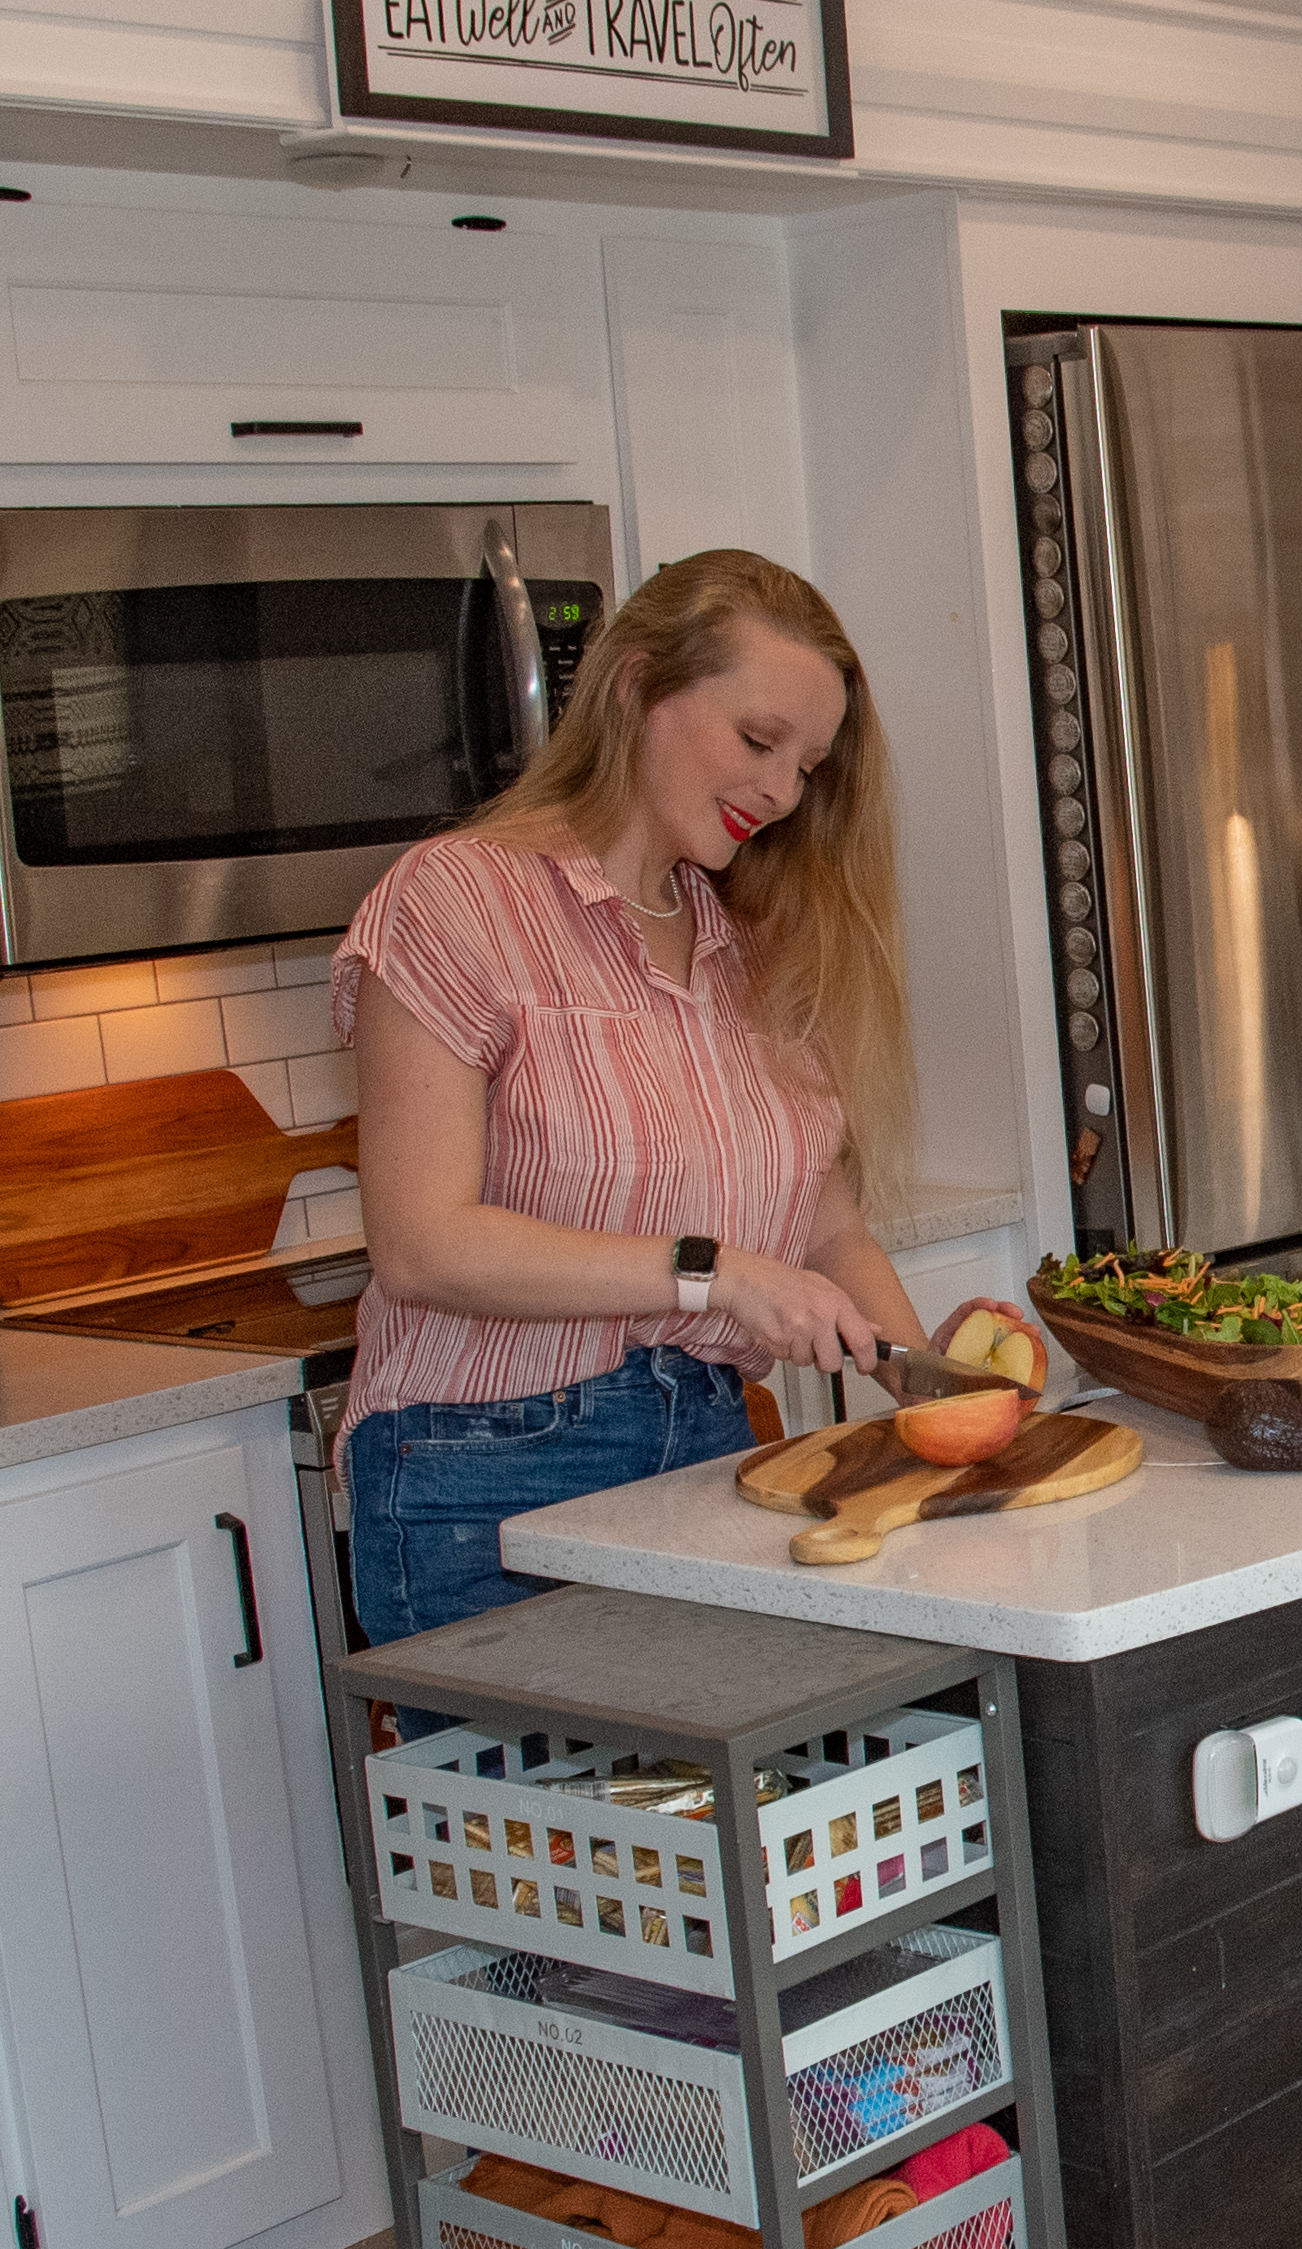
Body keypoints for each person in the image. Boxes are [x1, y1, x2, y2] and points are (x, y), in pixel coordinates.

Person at [333, 547, 930, 1653]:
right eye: (759, 742)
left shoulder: (750, 945)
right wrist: (717, 1275)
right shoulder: (454, 900)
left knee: (728, 1820)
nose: (783, 792)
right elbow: (419, 1245)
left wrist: (931, 1387)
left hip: (704, 1461)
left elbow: (827, 1223)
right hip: (485, 1479)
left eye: (808, 766)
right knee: (555, 1830)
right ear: (634, 687)